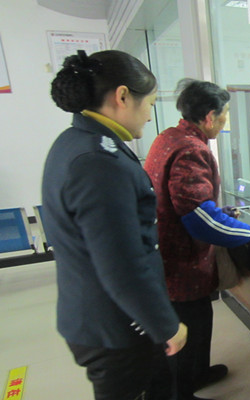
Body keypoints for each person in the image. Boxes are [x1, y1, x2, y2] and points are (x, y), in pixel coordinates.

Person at [42, 50, 187, 400]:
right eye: (150, 103)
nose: (150, 116)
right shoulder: (98, 162)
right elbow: (120, 263)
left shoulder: (77, 142)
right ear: (122, 96)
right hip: (113, 325)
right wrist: (165, 325)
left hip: (108, 313)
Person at [144, 79, 250, 400]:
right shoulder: (192, 149)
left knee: (200, 318)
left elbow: (184, 202)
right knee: (189, 325)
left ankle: (198, 374)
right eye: (224, 113)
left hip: (167, 255)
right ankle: (183, 391)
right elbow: (200, 221)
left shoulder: (168, 137)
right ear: (209, 116)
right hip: (181, 263)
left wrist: (217, 210)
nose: (225, 120)